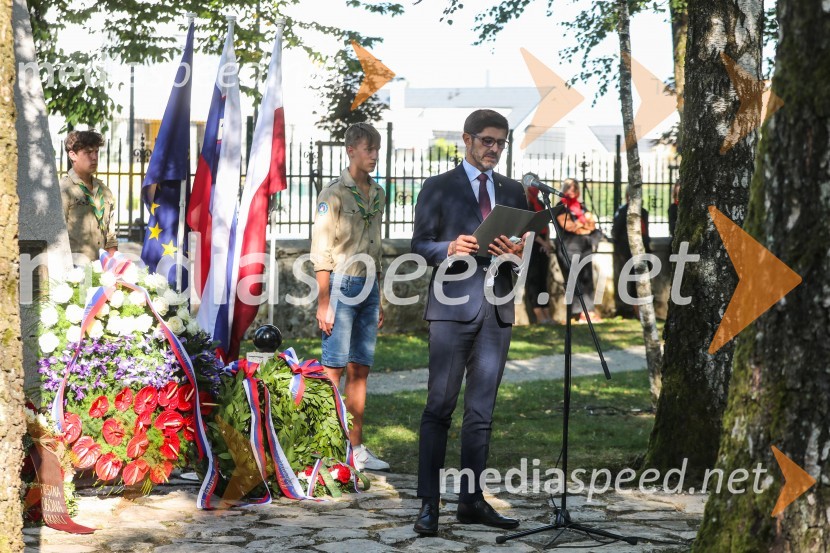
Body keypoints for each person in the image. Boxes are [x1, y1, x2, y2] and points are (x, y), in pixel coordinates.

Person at [411, 109, 527, 535]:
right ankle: (429, 504)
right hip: (451, 309)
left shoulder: (514, 190)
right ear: (467, 139)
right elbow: (419, 244)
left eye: (500, 143)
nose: (494, 149)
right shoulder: (438, 186)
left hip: (497, 309)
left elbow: (522, 248)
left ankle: (471, 501)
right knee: (439, 407)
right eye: (487, 141)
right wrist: (448, 248)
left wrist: (516, 252)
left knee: (481, 413)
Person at [310, 122, 389, 472]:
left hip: (369, 286)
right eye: (368, 149)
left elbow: (377, 249)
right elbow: (321, 249)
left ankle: (356, 448)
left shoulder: (379, 193)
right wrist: (323, 300)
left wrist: (379, 296)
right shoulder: (333, 194)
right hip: (341, 285)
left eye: (377, 149)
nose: (374, 155)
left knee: (361, 369)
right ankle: (326, 448)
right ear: (351, 151)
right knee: (334, 368)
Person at [60, 130, 118, 263]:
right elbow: (57, 236)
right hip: (74, 267)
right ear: (73, 155)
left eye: (96, 152)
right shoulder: (64, 189)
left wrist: (113, 264)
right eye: (88, 152)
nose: (94, 157)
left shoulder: (104, 191)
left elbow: (111, 237)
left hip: (101, 266)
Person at [552, 178, 601, 323]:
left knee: (587, 279)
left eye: (575, 188)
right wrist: (582, 224)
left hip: (585, 247)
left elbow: (592, 225)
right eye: (569, 188)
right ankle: (578, 312)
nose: (572, 191)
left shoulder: (582, 206)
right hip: (569, 247)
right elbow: (568, 227)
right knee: (574, 279)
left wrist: (580, 225)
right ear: (564, 190)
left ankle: (588, 311)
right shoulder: (560, 207)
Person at [612, 196, 651, 319]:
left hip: (642, 249)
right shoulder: (623, 211)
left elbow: (646, 232)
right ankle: (631, 310)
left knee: (641, 279)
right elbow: (616, 231)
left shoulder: (643, 212)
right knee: (630, 280)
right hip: (627, 251)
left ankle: (642, 310)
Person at [524, 185, 554, 324]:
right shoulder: (525, 203)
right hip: (531, 243)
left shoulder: (541, 203)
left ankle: (546, 312)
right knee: (533, 280)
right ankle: (539, 314)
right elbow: (528, 228)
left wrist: (547, 242)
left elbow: (545, 223)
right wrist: (543, 243)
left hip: (543, 244)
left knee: (543, 280)